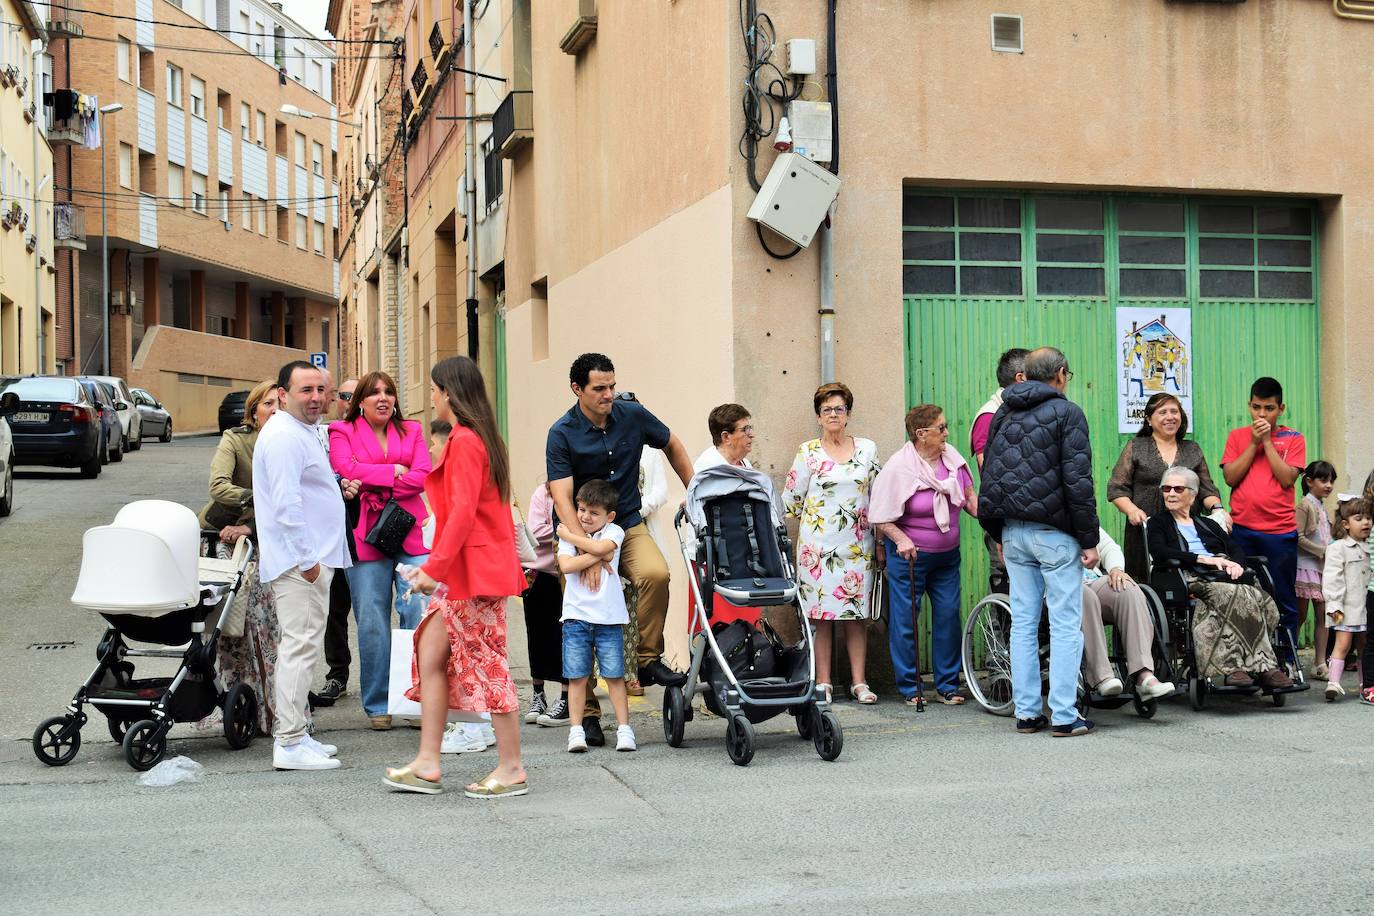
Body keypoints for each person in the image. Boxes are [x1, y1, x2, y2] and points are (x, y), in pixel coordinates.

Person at [385, 356, 527, 798]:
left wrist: (434, 570)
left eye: (433, 389)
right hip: (466, 571)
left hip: (473, 573)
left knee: (489, 666)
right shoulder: (474, 437)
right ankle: (428, 762)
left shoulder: (466, 440)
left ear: (449, 392)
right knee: (429, 655)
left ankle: (511, 767)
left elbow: (464, 513)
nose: (430, 397)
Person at [545, 353, 694, 747]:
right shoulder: (561, 432)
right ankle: (589, 718)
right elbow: (562, 497)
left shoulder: (632, 414)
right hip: (578, 532)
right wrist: (590, 553)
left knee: (656, 574)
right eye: (599, 388)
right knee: (580, 619)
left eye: (612, 386)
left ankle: (645, 660)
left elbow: (673, 444)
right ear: (578, 389)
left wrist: (694, 492)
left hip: (626, 523)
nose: (609, 394)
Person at [979, 347, 1100, 737]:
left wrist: (998, 533)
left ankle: (1028, 712)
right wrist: (1089, 538)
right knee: (1066, 624)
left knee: (1024, 624)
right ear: (1061, 373)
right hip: (1054, 533)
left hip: (1014, 531)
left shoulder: (1002, 414)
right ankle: (1064, 715)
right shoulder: (1068, 414)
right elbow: (1078, 482)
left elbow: (991, 479)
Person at [253, 360, 352, 771]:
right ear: (283, 394)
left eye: (320, 390)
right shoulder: (282, 437)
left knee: (305, 647)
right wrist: (308, 560)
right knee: (299, 647)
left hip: (311, 559)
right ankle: (290, 742)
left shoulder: (302, 431)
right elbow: (285, 504)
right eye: (305, 390)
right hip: (301, 563)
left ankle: (298, 733)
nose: (315, 398)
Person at [328, 371, 433, 730]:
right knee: (372, 619)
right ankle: (377, 703)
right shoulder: (341, 432)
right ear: (360, 401)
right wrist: (394, 472)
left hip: (408, 531)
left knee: (418, 609)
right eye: (374, 393)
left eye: (388, 391)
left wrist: (372, 479)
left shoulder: (413, 431)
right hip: (365, 535)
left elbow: (423, 474)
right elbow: (344, 467)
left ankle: (414, 697)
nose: (383, 398)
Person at [197, 379, 289, 735]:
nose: (275, 410)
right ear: (253, 412)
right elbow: (218, 486)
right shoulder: (236, 439)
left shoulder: (293, 439)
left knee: (270, 630)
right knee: (231, 629)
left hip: (268, 541)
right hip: (228, 541)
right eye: (268, 404)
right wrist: (256, 508)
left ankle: (277, 709)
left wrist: (254, 525)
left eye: (280, 404)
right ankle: (233, 703)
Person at [1148, 466, 1293, 690]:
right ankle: (1256, 667)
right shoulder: (1159, 523)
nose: (1171, 494)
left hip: (1225, 576)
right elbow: (1159, 552)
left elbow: (1236, 548)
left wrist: (1235, 564)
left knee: (1260, 597)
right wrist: (1202, 559)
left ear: (1193, 494)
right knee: (1235, 594)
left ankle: (1250, 668)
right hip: (1189, 576)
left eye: (1178, 488)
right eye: (1166, 489)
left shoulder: (1209, 524)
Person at [782, 383, 882, 704]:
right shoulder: (807, 452)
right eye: (827, 410)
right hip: (818, 549)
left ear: (849, 414)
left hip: (857, 547)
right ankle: (823, 681)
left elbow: (878, 496)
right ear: (818, 416)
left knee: (856, 616)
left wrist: (880, 541)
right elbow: (792, 501)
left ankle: (859, 682)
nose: (833, 415)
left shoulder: (867, 449)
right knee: (822, 616)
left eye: (839, 409)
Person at [871, 404, 976, 707]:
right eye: (941, 428)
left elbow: (970, 500)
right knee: (906, 623)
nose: (947, 433)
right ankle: (910, 686)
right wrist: (901, 539)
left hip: (947, 556)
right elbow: (880, 516)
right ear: (921, 434)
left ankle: (946, 684)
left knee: (947, 617)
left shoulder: (953, 461)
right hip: (910, 557)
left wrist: (995, 522)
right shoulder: (898, 468)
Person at [1220, 377, 1306, 650]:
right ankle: (1249, 659)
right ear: (1249, 406)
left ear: (1281, 408)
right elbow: (1231, 477)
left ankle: (1287, 659)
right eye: (1257, 407)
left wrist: (1267, 441)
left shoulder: (1294, 438)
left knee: (1283, 598)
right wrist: (1253, 444)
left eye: (1269, 408)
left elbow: (1286, 479)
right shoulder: (1237, 437)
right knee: (1244, 595)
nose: (1262, 414)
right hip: (1243, 530)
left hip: (1279, 533)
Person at [1107, 393, 1228, 582]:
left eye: (1174, 411)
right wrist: (1131, 510)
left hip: (1185, 528)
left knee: (1189, 578)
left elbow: (1206, 489)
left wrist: (1218, 509)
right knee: (1146, 581)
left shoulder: (1192, 449)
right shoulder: (1136, 447)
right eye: (1162, 412)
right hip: (1146, 529)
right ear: (1149, 419)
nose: (1170, 417)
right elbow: (1117, 487)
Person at [557, 480, 636, 753]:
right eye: (581, 510)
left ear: (609, 516)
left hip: (609, 618)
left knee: (614, 676)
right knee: (577, 677)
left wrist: (572, 539)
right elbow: (567, 565)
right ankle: (575, 730)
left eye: (593, 513)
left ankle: (625, 729)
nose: (584, 517)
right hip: (576, 617)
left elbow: (607, 548)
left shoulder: (615, 530)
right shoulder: (573, 532)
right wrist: (598, 556)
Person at [1080, 527, 1174, 701]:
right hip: (1060, 586)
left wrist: (1116, 568)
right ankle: (1102, 677)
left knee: (1127, 588)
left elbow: (1109, 548)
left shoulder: (1081, 515)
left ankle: (1143, 675)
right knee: (1085, 597)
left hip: (1092, 580)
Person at [971, 349, 1027, 592]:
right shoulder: (989, 416)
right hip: (1005, 521)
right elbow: (989, 472)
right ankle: (1003, 631)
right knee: (1007, 585)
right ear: (1021, 378)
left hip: (1027, 517)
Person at [318, 377, 358, 709]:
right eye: (345, 395)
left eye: (358, 395)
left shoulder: (377, 436)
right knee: (334, 610)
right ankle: (337, 674)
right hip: (333, 536)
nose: (351, 401)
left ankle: (388, 682)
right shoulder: (324, 436)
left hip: (371, 536)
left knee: (371, 615)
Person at [524, 481, 570, 727]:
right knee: (537, 633)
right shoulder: (541, 492)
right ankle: (538, 696)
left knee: (566, 636)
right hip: (541, 570)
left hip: (570, 572)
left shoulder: (581, 491)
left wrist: (555, 529)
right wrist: (565, 529)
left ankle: (565, 699)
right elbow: (534, 530)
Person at [1321, 499, 1370, 701]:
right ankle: (1333, 683)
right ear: (1346, 524)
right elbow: (1332, 579)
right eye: (1359, 518)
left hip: (1366, 609)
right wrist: (1334, 605)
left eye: (1368, 518)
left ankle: (1365, 683)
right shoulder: (1338, 548)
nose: (1366, 522)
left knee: (1365, 646)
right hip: (1346, 608)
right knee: (1342, 644)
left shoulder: (1370, 547)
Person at [1296, 460, 1336, 679]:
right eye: (1323, 480)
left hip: (1323, 569)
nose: (1328, 485)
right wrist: (1321, 551)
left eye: (1331, 480)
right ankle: (1291, 660)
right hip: (1305, 567)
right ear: (1309, 481)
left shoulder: (1321, 505)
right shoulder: (1305, 504)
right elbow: (1298, 537)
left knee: (1324, 615)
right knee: (1300, 614)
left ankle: (1320, 662)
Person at [693, 403, 756, 473]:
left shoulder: (746, 464)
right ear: (726, 437)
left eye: (750, 428)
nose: (752, 435)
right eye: (745, 429)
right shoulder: (707, 469)